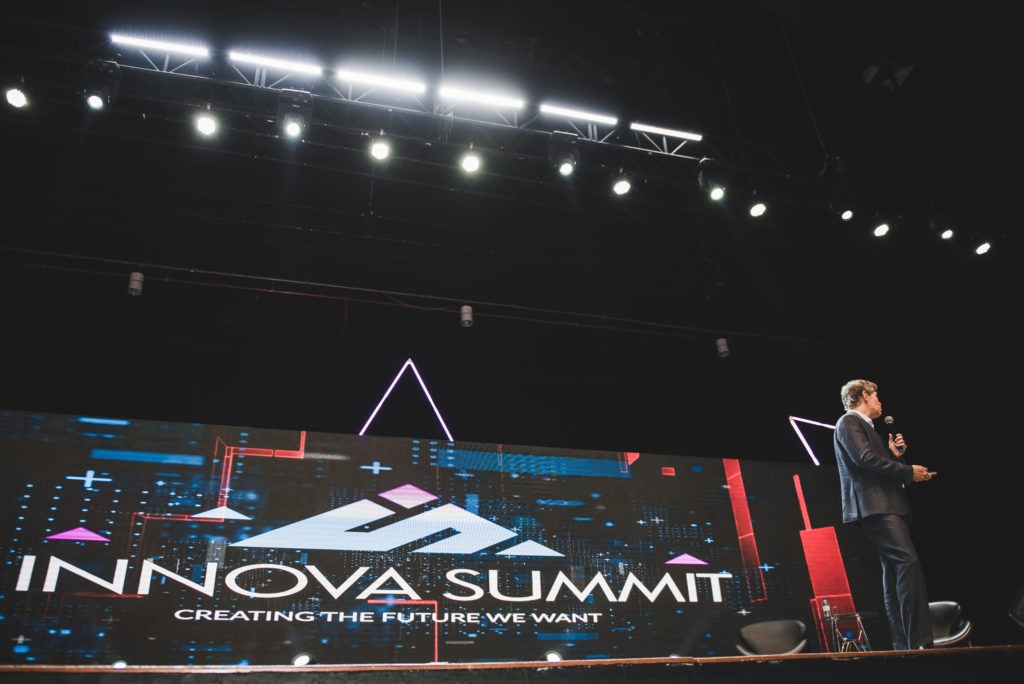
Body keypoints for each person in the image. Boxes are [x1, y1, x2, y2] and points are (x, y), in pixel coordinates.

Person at [833, 379, 935, 650]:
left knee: (893, 573)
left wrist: (896, 456)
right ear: (865, 395)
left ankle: (903, 645)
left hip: (885, 505)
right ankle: (920, 642)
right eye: (876, 395)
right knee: (908, 563)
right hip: (876, 507)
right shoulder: (849, 422)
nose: (880, 401)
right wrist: (907, 471)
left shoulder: (868, 429)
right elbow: (864, 459)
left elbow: (876, 465)